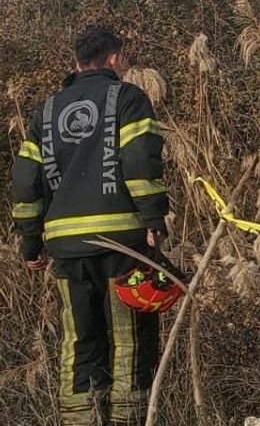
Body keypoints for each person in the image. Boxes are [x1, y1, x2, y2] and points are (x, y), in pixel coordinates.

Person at [10, 27, 169, 426]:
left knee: (80, 343)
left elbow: (25, 182)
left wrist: (31, 246)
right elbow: (139, 163)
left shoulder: (45, 111)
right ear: (114, 59)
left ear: (77, 61)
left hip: (66, 248)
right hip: (123, 246)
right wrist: (154, 220)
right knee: (129, 341)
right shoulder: (128, 98)